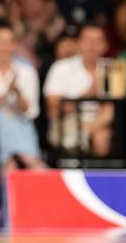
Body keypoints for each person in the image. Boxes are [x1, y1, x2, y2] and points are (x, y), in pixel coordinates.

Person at [0, 23, 44, 169]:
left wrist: (17, 92)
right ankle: (21, 161)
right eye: (0, 41)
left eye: (9, 42)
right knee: (4, 121)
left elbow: (30, 111)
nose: (4, 46)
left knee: (15, 124)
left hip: (21, 124)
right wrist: (5, 94)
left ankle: (30, 162)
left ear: (15, 45)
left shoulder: (27, 71)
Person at [43, 23, 113, 155]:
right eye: (87, 40)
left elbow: (115, 108)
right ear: (78, 43)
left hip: (103, 123)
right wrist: (91, 93)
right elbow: (54, 110)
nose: (92, 45)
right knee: (95, 135)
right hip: (69, 123)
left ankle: (87, 131)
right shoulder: (61, 67)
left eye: (98, 40)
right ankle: (86, 132)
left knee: (102, 135)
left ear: (106, 45)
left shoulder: (113, 68)